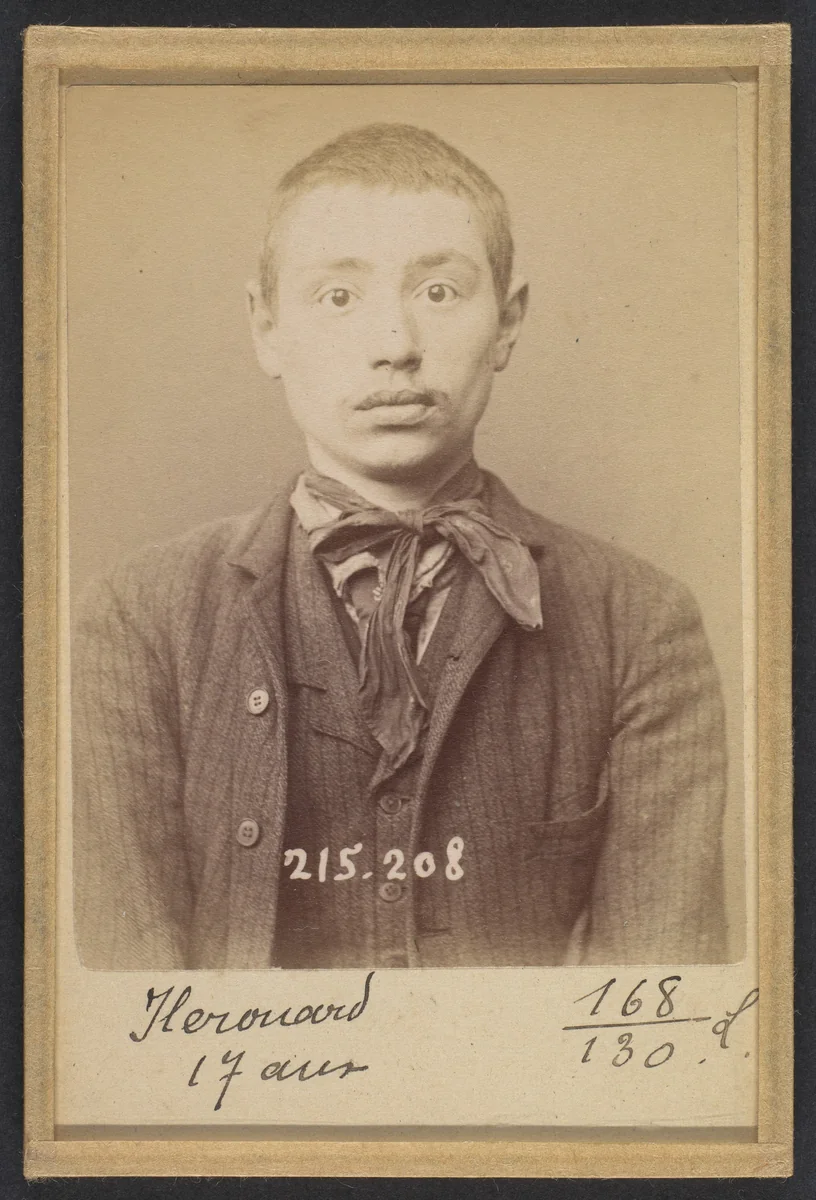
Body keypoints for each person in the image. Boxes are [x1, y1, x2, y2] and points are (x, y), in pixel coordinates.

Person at [72, 122, 727, 970]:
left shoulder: (640, 624)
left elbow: (657, 1023)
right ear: (265, 327)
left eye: (441, 292)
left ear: (510, 322)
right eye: (338, 297)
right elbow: (126, 1021)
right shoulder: (140, 621)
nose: (395, 347)